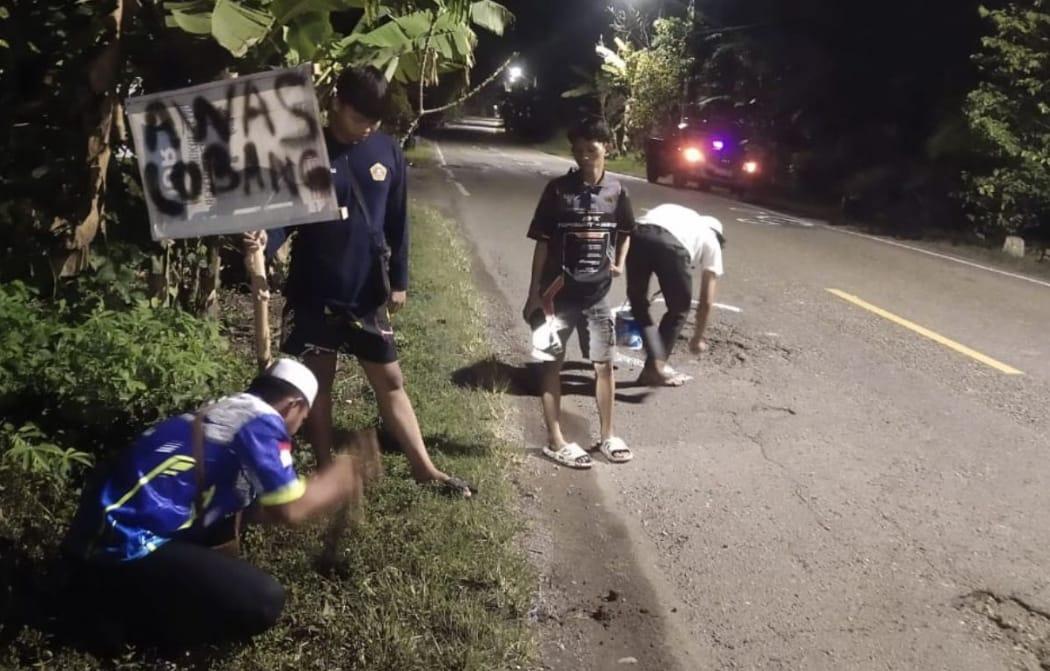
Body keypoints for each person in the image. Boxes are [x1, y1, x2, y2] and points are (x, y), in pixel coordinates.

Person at [262, 65, 473, 497]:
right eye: (360, 119)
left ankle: (425, 469)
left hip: (366, 294)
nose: (367, 130)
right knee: (318, 385)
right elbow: (284, 218)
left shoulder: (387, 150)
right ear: (336, 105)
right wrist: (264, 243)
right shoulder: (307, 149)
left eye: (374, 122)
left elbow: (398, 221)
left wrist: (399, 280)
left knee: (391, 381)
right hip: (315, 290)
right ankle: (323, 468)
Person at [60, 359, 361, 648]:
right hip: (125, 546)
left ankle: (103, 601)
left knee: (227, 569)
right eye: (303, 420)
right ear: (292, 405)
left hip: (95, 537)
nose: (298, 429)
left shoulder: (222, 410)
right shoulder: (261, 421)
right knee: (265, 600)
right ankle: (124, 623)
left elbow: (249, 510)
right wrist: (338, 479)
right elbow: (290, 509)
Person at [523, 119, 636, 469]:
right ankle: (555, 441)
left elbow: (626, 230)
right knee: (551, 364)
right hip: (555, 296)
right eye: (578, 150)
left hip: (597, 296)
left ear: (607, 148)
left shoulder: (617, 191)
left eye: (592, 149)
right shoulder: (558, 191)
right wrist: (532, 295)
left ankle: (607, 435)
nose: (585, 157)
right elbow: (542, 243)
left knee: (604, 365)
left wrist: (618, 263)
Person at [625, 203, 725, 386]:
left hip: (637, 234)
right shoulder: (711, 238)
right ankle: (655, 368)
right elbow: (706, 301)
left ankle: (652, 365)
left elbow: (650, 230)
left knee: (638, 302)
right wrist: (697, 337)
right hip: (671, 246)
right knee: (679, 309)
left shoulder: (682, 215)